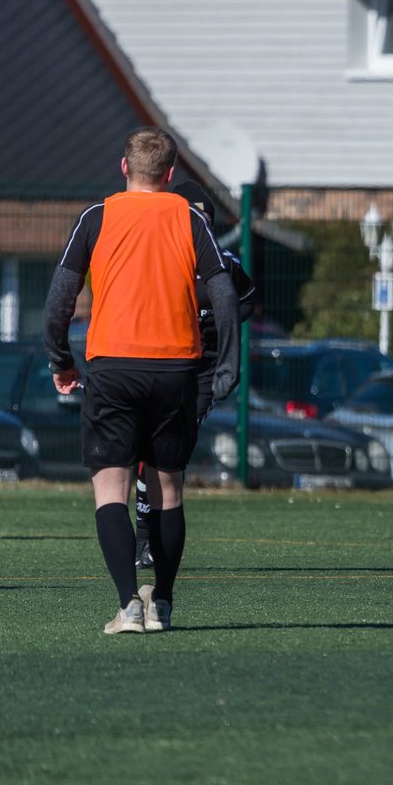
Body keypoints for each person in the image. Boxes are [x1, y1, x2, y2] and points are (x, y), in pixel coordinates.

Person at [44, 127, 240, 634]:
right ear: (171, 176)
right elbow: (223, 295)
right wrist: (227, 365)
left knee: (111, 488)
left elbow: (60, 298)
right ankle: (165, 603)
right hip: (177, 368)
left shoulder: (97, 216)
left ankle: (129, 605)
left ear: (124, 167)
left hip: (111, 367)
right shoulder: (190, 218)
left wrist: (59, 359)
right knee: (168, 491)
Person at [133, 180, 255, 575]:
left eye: (204, 216)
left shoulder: (224, 263)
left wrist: (219, 326)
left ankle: (154, 540)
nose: (198, 222)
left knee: (172, 452)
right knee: (147, 454)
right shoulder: (157, 260)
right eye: (191, 214)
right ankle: (143, 538)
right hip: (162, 363)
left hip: (200, 371)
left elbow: (248, 298)